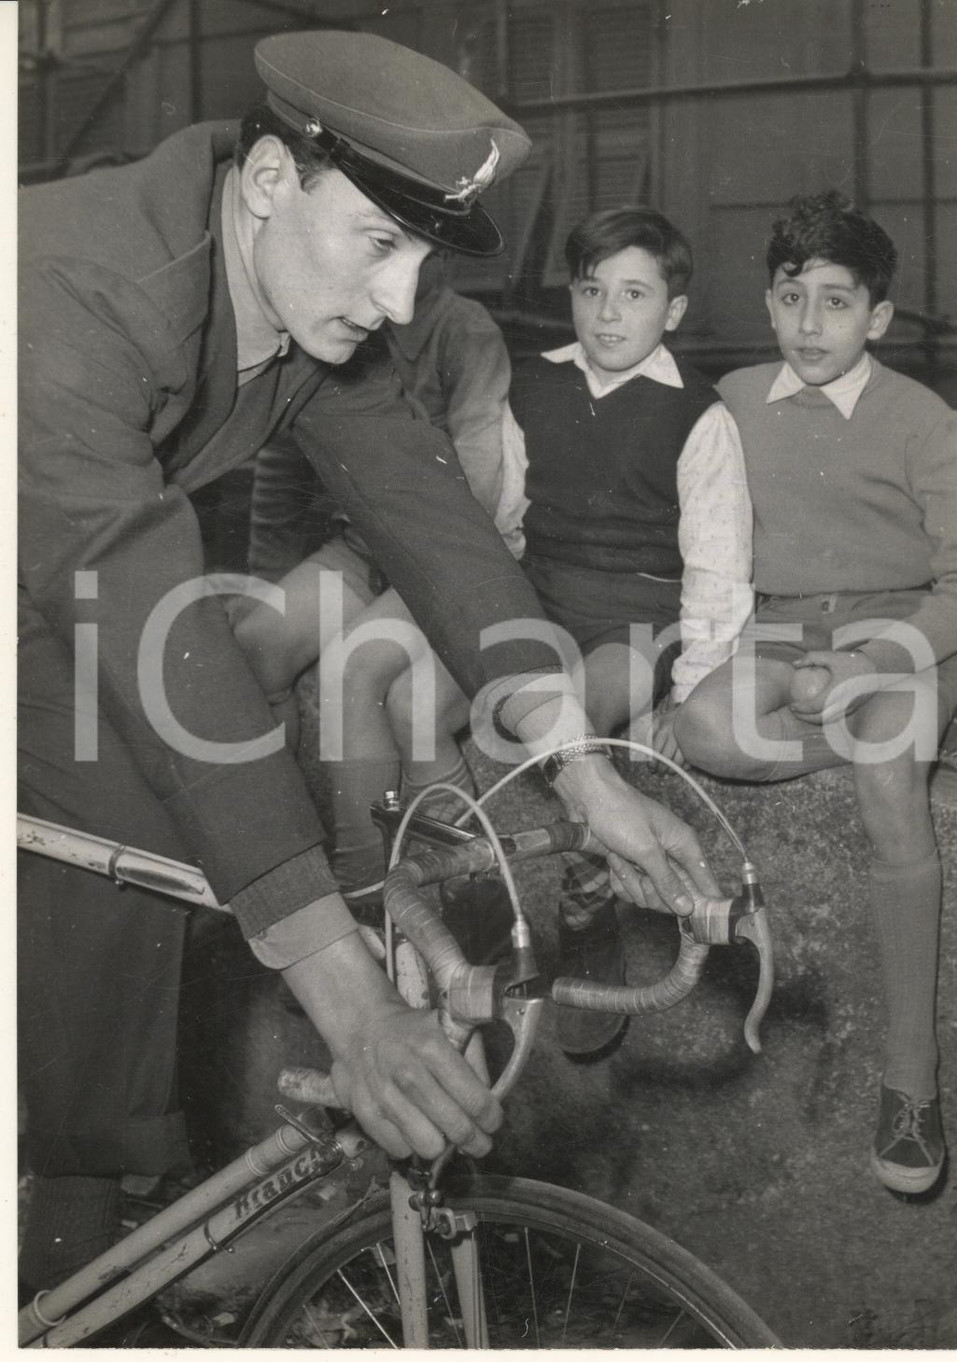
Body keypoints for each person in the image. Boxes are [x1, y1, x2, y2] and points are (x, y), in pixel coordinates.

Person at [17, 30, 722, 1297]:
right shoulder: (73, 287)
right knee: (129, 779)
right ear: (275, 178)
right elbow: (137, 611)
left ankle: (74, 1229)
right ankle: (55, 1243)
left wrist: (586, 773)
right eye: (380, 246)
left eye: (420, 260)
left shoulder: (296, 288)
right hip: (55, 552)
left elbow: (436, 526)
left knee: (136, 812)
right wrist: (354, 1014)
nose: (400, 304)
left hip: (43, 562)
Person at [673, 190, 957, 1194]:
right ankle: (860, 733)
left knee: (890, 775)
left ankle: (909, 1081)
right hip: (785, 625)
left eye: (836, 304)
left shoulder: (925, 420)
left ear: (877, 319)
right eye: (792, 298)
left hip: (904, 631)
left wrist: (869, 673)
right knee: (707, 728)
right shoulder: (734, 401)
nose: (811, 325)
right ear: (768, 303)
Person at [499, 207, 754, 1056]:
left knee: (583, 706)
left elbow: (717, 568)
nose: (608, 314)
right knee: (473, 713)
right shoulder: (532, 383)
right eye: (591, 291)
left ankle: (586, 911)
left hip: (639, 615)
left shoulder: (698, 415)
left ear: (672, 312)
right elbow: (505, 517)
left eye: (634, 294)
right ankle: (475, 915)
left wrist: (689, 694)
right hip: (542, 597)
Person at [235, 254, 521, 893]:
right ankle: (278, 854)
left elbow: (481, 467)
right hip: (365, 548)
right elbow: (282, 463)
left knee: (355, 667)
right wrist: (267, 579)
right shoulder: (342, 312)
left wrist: (410, 585)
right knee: (256, 644)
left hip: (446, 545)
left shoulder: (465, 331)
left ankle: (366, 882)